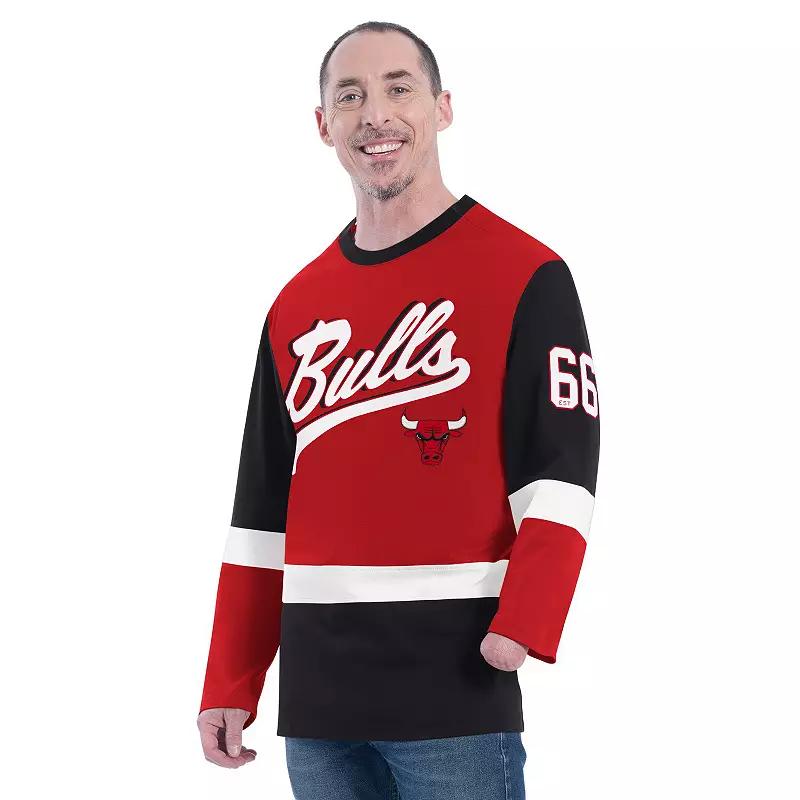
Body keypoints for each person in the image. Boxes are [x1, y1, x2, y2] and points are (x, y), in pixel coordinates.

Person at [197, 20, 600, 800]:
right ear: (324, 125)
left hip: (456, 691)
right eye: (350, 96)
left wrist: (527, 622)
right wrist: (231, 677)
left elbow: (562, 473)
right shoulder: (296, 306)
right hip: (318, 707)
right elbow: (260, 514)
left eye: (398, 88)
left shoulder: (526, 272)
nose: (375, 114)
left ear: (442, 108)